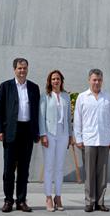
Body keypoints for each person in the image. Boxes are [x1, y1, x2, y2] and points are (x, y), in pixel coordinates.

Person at [0, 58, 40, 213]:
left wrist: (37, 132)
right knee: (8, 169)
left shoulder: (34, 88)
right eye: (19, 68)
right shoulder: (5, 86)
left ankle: (21, 201)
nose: (22, 71)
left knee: (24, 169)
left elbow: (36, 112)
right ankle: (8, 200)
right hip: (11, 132)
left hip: (27, 131)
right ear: (14, 69)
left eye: (24, 68)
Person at [74, 69, 110, 212]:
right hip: (88, 140)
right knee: (90, 174)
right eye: (94, 80)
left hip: (104, 140)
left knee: (102, 174)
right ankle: (89, 202)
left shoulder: (108, 97)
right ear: (89, 80)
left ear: (102, 80)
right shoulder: (82, 97)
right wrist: (78, 139)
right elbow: (77, 120)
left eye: (99, 80)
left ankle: (100, 202)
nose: (97, 82)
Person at [39, 70, 73, 212]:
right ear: (50, 81)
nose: (55, 81)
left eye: (58, 78)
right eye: (53, 79)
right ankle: (48, 197)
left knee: (59, 168)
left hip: (63, 134)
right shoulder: (45, 96)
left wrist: (70, 135)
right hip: (49, 134)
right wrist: (43, 135)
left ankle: (58, 196)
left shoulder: (66, 96)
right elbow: (41, 117)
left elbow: (68, 117)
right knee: (49, 167)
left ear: (61, 80)